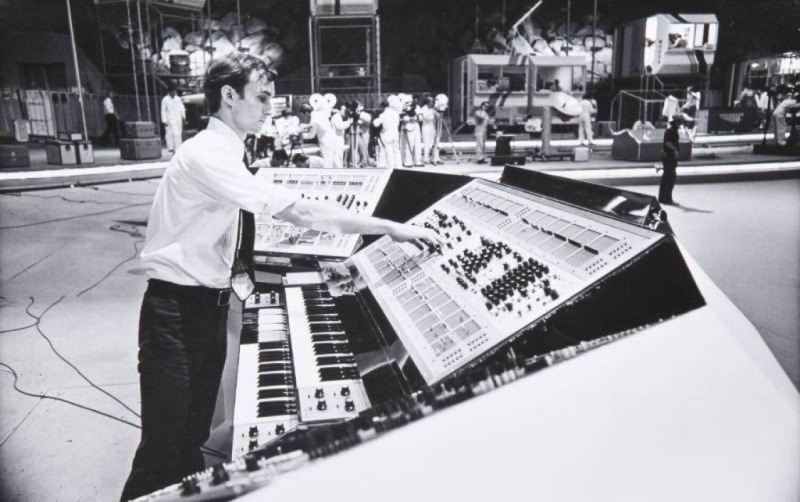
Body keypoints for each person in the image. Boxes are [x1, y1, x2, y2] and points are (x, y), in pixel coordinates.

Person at [119, 53, 438, 502]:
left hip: (204, 309)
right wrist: (388, 227)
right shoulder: (207, 155)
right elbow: (297, 212)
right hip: (177, 313)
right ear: (229, 96)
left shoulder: (228, 152)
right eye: (262, 97)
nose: (271, 108)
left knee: (190, 444)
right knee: (161, 456)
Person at [658, 115, 681, 205]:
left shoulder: (672, 130)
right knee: (670, 177)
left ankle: (663, 198)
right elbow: (667, 142)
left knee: (667, 177)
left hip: (669, 156)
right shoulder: (670, 131)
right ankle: (666, 198)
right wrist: (675, 150)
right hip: (668, 156)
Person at [161, 85, 186, 153]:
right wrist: (164, 120)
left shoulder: (178, 99)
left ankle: (178, 147)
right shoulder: (165, 99)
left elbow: (182, 107)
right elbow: (163, 110)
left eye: (174, 91)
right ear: (169, 92)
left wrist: (183, 116)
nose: (173, 93)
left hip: (178, 117)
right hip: (170, 118)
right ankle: (172, 148)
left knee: (179, 133)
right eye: (172, 91)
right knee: (173, 133)